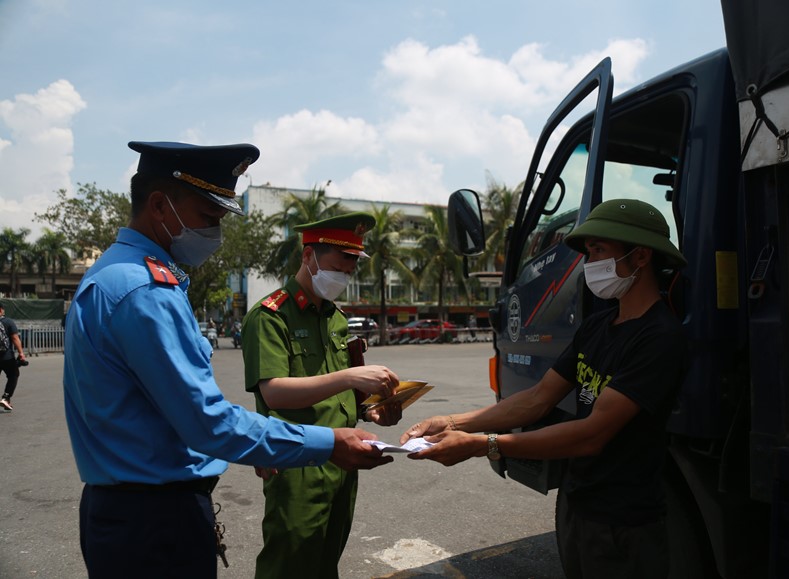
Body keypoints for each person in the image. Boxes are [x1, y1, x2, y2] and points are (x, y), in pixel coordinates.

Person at [63, 141, 393, 579]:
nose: (216, 235)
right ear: (160, 205)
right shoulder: (145, 291)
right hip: (154, 519)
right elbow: (208, 421)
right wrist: (330, 443)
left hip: (136, 510)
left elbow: (163, 411)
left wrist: (251, 443)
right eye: (208, 218)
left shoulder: (115, 274)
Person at [400, 199, 688, 579]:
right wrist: (451, 422)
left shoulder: (659, 337)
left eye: (599, 251)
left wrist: (484, 445)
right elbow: (536, 400)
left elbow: (591, 435)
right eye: (588, 254)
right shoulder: (598, 326)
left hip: (625, 522)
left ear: (640, 257)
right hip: (578, 504)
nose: (589, 264)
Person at [241, 211, 403, 579]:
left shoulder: (335, 318)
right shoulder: (270, 317)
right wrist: (348, 376)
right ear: (308, 257)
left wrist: (371, 411)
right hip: (297, 460)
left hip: (343, 458)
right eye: (338, 266)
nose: (344, 277)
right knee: (290, 564)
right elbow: (275, 392)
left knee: (326, 561)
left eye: (350, 270)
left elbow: (338, 394)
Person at [0, 302, 26, 412]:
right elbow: (15, 338)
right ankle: (6, 397)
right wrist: (21, 353)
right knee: (13, 375)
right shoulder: (8, 322)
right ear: (1, 310)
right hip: (6, 357)